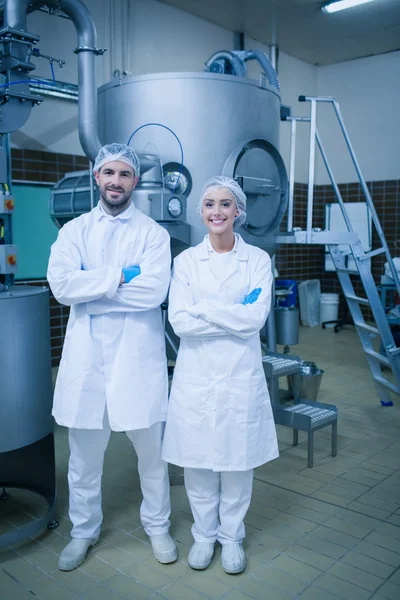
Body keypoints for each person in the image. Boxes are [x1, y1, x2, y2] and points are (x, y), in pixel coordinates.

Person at [47, 143, 177, 571]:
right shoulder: (74, 232)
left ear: (134, 181)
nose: (116, 181)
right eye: (109, 173)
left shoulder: (154, 235)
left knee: (152, 455)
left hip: (135, 361)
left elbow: (153, 293)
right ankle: (82, 531)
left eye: (124, 174)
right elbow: (62, 287)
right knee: (83, 457)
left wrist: (93, 291)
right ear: (96, 178)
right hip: (87, 362)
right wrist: (120, 278)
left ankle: (158, 526)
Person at [162, 176, 279, 575]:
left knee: (237, 461)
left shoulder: (259, 261)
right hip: (197, 375)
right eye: (210, 204)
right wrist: (229, 312)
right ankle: (203, 535)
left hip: (238, 373)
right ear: (200, 211)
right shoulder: (186, 262)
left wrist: (205, 308)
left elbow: (254, 320)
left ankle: (231, 538)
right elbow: (180, 321)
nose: (217, 211)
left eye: (225, 204)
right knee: (197, 461)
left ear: (238, 211)